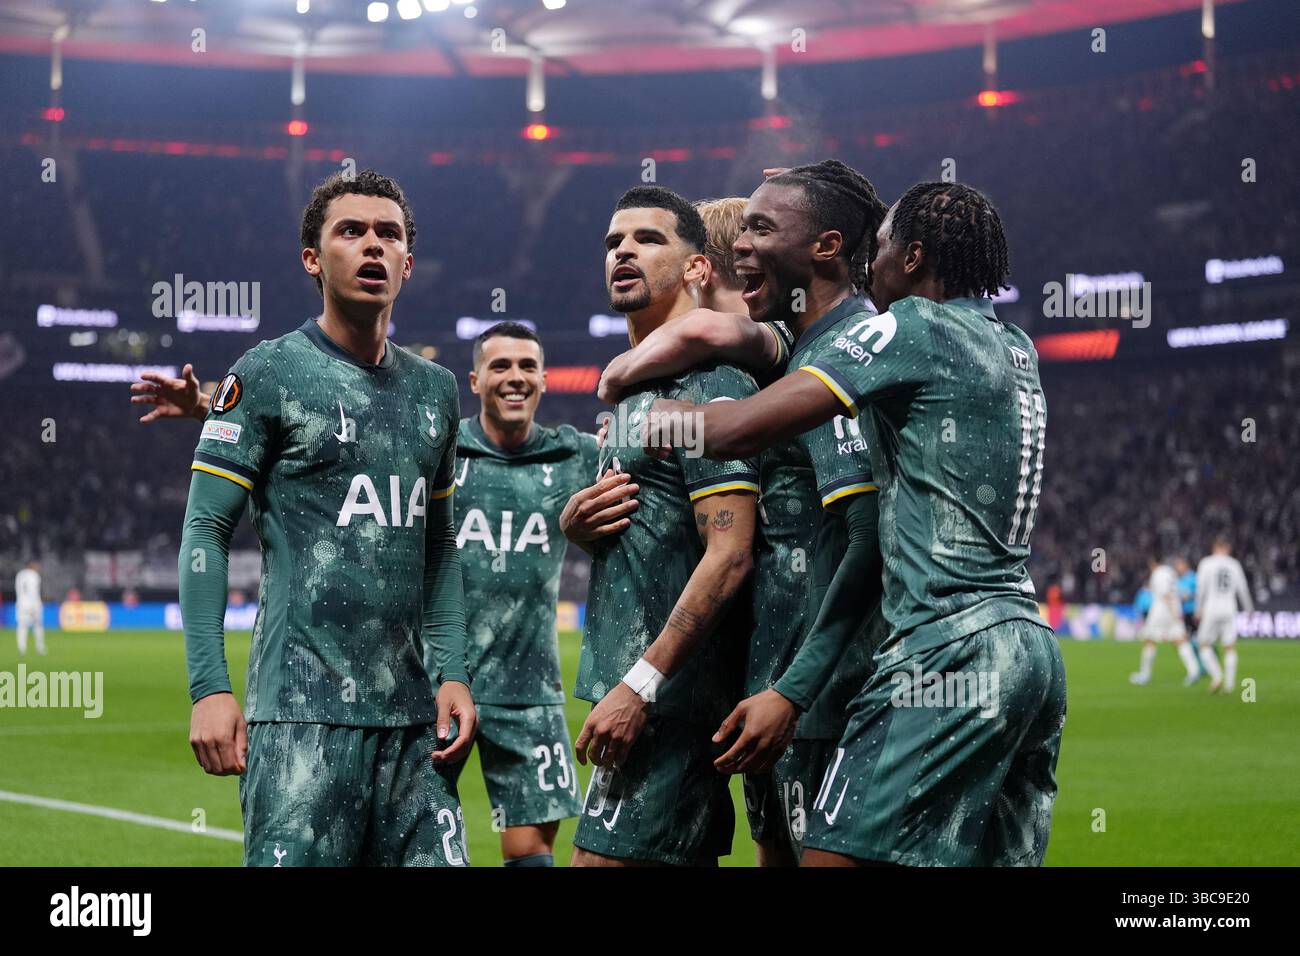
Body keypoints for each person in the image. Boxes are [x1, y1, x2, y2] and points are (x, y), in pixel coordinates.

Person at [645, 180, 1067, 867]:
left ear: (916, 256)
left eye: (882, 249)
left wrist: (668, 423)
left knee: (831, 859)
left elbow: (742, 427)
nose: (872, 268)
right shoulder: (1014, 343)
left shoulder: (914, 327)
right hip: (1031, 649)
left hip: (943, 646)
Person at [175, 169, 476, 866]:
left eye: (388, 234)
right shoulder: (271, 372)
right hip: (301, 721)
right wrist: (209, 688)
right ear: (313, 258)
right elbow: (205, 530)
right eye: (351, 231)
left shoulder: (437, 390)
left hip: (414, 725)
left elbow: (439, 549)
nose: (372, 246)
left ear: (407, 260)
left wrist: (454, 670)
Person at [558, 186, 760, 866]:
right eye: (614, 242)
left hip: (667, 709)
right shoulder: (637, 395)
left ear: (698, 267)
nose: (623, 251)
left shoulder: (707, 386)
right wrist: (581, 530)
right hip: (645, 711)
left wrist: (640, 686)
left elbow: (730, 554)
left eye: (647, 240)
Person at [1195, 537, 1253, 693]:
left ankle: (1217, 676)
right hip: (1229, 607)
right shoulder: (1234, 564)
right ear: (1227, 549)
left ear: (1214, 548)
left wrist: (1197, 609)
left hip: (1211, 607)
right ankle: (1229, 685)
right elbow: (1243, 589)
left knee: (1203, 644)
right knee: (1229, 647)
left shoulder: (1206, 563)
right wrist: (1249, 610)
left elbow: (1201, 588)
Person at [1131, 557, 1200, 687]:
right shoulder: (1171, 572)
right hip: (1175, 609)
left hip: (1161, 611)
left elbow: (1165, 593)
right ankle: (1194, 671)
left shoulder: (1158, 573)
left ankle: (1145, 675)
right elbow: (1178, 592)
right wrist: (1176, 611)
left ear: (1153, 563)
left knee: (1149, 640)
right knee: (1180, 641)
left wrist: (1172, 610)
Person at [14, 561, 45, 656]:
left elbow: (17, 589)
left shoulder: (20, 575)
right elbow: (33, 591)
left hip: (21, 604)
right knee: (38, 626)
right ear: (32, 566)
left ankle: (22, 648)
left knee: (22, 626)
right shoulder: (34, 575)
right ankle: (40, 648)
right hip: (33, 603)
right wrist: (37, 604)